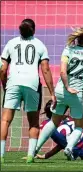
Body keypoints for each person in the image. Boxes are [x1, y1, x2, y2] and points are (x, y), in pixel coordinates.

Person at [34, 27, 83, 161]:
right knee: (79, 126)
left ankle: (35, 148)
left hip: (60, 91)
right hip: (77, 94)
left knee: (53, 122)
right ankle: (69, 147)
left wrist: (66, 86)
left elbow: (62, 72)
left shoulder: (68, 49)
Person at [0, 18, 56, 163]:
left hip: (13, 83)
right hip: (32, 84)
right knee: (33, 122)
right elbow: (45, 69)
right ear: (34, 30)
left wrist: (5, 84)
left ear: (20, 30)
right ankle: (30, 156)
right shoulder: (40, 45)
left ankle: (0, 155)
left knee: (5, 120)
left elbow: (3, 68)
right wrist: (52, 93)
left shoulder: (11, 43)